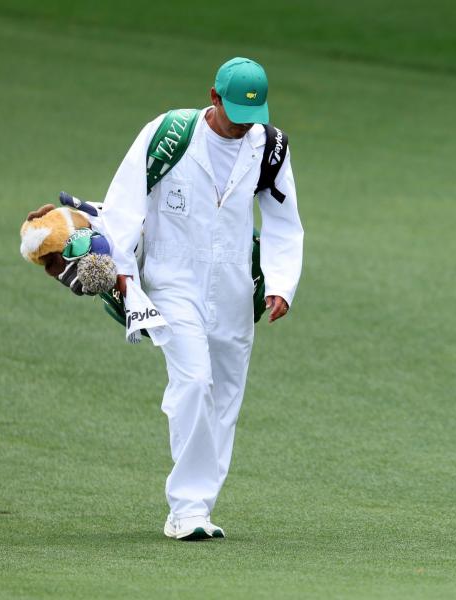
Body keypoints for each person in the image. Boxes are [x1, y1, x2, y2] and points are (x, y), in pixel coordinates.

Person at [101, 57, 304, 541]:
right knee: (194, 381)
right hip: (172, 276)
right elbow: (124, 203)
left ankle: (201, 506)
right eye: (235, 113)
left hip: (234, 282)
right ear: (213, 97)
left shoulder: (269, 145)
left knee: (226, 397)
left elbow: (282, 218)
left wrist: (279, 283)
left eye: (252, 115)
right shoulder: (168, 134)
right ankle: (187, 509)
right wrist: (123, 275)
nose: (244, 125)